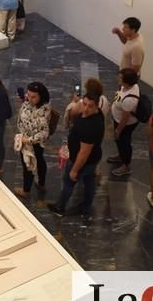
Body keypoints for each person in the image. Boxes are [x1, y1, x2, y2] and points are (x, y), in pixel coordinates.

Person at [48, 87, 105, 218]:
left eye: (90, 106)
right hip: (94, 158)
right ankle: (86, 206)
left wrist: (74, 170)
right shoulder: (99, 114)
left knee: (68, 182)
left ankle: (60, 207)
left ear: (97, 105)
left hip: (82, 161)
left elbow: (84, 153)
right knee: (90, 181)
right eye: (84, 104)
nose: (85, 109)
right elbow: (76, 113)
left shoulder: (89, 126)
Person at [13, 81, 51, 199]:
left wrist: (27, 140)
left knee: (28, 164)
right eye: (28, 95)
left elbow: (44, 133)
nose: (29, 98)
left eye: (33, 96)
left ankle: (26, 191)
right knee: (39, 160)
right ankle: (41, 184)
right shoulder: (30, 101)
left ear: (41, 96)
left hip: (31, 141)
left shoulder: (43, 112)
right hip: (26, 137)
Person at [109, 68, 141, 178]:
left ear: (127, 81)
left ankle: (125, 166)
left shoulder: (129, 100)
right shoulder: (128, 86)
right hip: (118, 120)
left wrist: (118, 130)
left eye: (121, 78)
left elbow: (125, 118)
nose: (118, 78)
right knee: (119, 142)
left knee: (124, 144)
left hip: (125, 125)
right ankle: (121, 156)